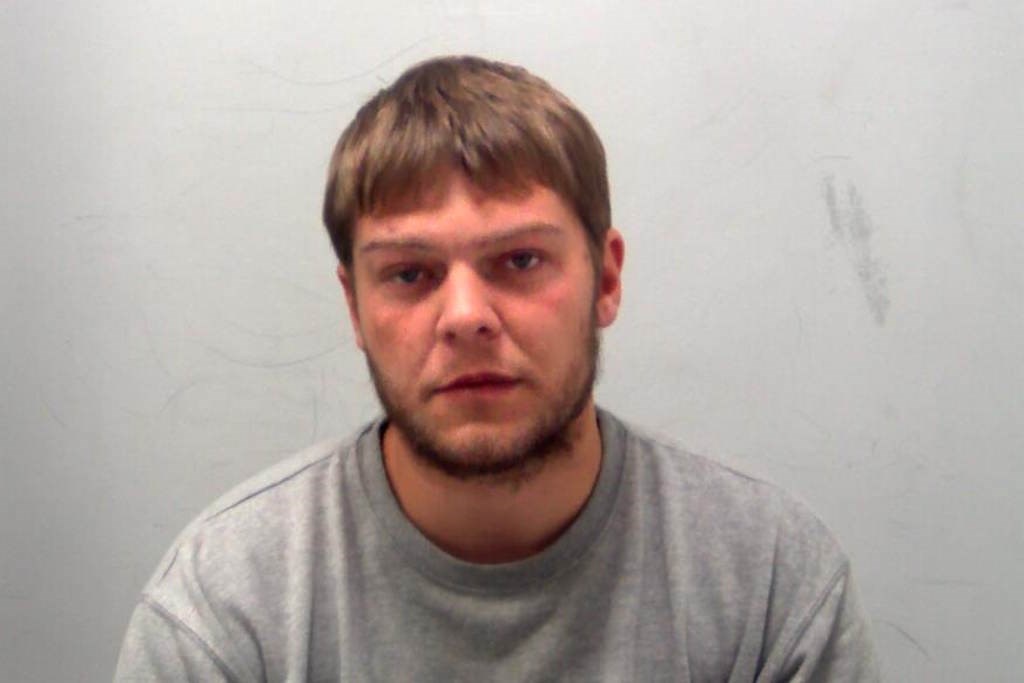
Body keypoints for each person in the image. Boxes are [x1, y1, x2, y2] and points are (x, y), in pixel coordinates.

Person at [115, 55, 879, 681]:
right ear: (354, 306)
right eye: (409, 273)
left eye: (519, 260)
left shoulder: (768, 580)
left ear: (606, 278)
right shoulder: (227, 605)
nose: (465, 315)